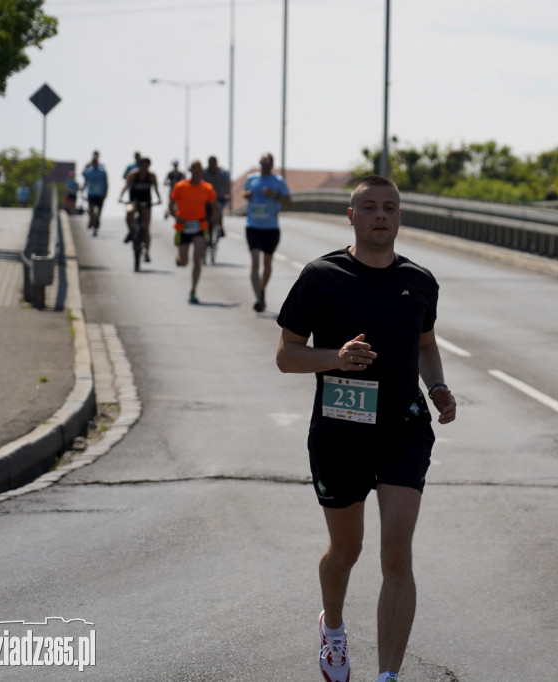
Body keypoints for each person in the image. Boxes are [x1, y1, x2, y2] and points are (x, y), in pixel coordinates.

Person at [275, 175, 457, 682]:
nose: (382, 215)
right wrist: (335, 357)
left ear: (400, 216)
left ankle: (388, 676)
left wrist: (438, 387)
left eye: (391, 208)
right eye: (370, 207)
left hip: (404, 429)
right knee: (346, 551)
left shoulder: (420, 280)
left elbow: (425, 344)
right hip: (341, 430)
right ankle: (333, 627)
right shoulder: (321, 276)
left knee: (397, 553)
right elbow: (286, 355)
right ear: (351, 216)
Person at [243, 152, 292, 312]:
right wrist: (247, 195)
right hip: (253, 226)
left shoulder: (278, 181)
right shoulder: (251, 179)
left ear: (272, 165)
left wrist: (275, 195)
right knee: (255, 261)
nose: (266, 164)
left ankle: (262, 290)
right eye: (264, 162)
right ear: (260, 163)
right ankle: (258, 298)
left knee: (267, 263)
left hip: (271, 228)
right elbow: (245, 194)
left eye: (269, 162)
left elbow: (289, 203)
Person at [169, 159, 216, 304]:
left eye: (198, 171)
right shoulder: (180, 186)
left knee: (197, 259)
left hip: (199, 226)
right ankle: (179, 256)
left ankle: (193, 290)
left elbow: (215, 205)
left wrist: (214, 217)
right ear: (190, 171)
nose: (196, 173)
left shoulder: (207, 188)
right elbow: (171, 205)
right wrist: (175, 216)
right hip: (183, 226)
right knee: (184, 262)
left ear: (201, 171)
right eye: (193, 170)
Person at [117, 156, 163, 262]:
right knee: (129, 212)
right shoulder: (133, 174)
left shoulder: (151, 176)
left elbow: (156, 188)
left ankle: (147, 252)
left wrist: (159, 199)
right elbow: (126, 186)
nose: (144, 169)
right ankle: (131, 232)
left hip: (146, 201)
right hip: (133, 200)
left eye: (146, 166)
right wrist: (120, 196)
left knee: (146, 227)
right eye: (142, 166)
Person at [201, 155, 231, 239]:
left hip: (220, 198)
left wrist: (228, 194)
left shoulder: (223, 173)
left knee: (218, 211)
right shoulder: (204, 173)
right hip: (208, 199)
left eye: (213, 163)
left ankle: (220, 227)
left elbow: (228, 184)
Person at [82, 153, 108, 235]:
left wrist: (105, 193)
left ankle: (96, 221)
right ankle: (94, 228)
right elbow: (84, 178)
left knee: (98, 213)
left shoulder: (102, 171)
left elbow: (106, 183)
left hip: (100, 194)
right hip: (91, 194)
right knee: (91, 211)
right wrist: (86, 166)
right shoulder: (89, 171)